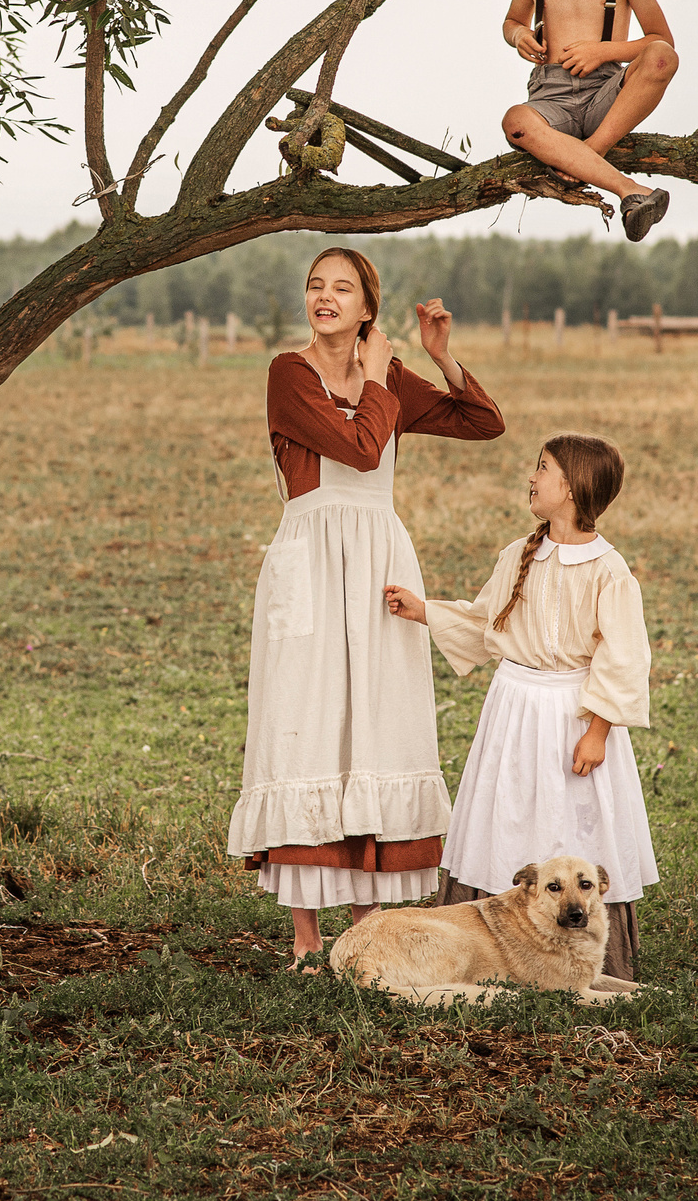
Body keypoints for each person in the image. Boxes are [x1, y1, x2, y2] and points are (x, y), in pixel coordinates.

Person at [229, 246, 508, 968]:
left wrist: (441, 359)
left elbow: (484, 421)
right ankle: (304, 938)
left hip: (379, 558)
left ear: (366, 308)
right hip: (312, 560)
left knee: (374, 723)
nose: (324, 295)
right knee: (307, 719)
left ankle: (368, 930)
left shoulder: (386, 376)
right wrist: (384, 375)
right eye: (315, 283)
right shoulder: (289, 373)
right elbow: (356, 448)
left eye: (341, 287)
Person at [382, 433, 658, 983]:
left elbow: (623, 656)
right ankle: (493, 952)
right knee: (505, 815)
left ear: (573, 487)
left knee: (573, 817)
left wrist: (598, 729)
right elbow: (489, 623)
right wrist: (425, 611)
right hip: (513, 712)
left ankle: (586, 955)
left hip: (574, 714)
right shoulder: (519, 555)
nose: (531, 477)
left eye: (543, 468)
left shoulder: (609, 571)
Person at [496, 0, 680, 242]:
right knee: (515, 120)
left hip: (605, 96)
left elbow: (661, 38)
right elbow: (512, 21)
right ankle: (631, 190)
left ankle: (589, 154)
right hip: (552, 98)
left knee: (662, 56)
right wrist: (519, 36)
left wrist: (605, 51)